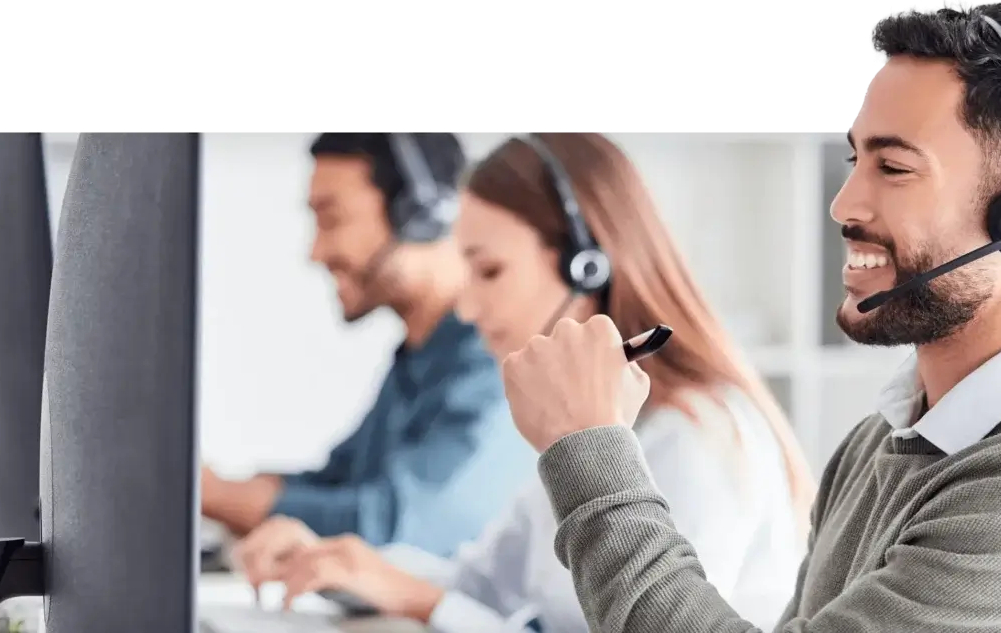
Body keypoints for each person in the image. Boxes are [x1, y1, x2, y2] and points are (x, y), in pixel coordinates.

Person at [498, 1, 1001, 633]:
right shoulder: (886, 440)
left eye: (893, 168)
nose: (843, 205)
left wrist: (589, 448)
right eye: (854, 159)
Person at [234, 131, 816, 632]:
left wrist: (422, 599)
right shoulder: (581, 423)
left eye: (489, 271)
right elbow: (483, 585)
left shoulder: (695, 437)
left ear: (586, 265)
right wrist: (347, 565)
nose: (467, 309)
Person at [201, 128, 535, 559]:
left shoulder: (491, 359)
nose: (316, 252)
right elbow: (340, 480)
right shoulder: (422, 355)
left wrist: (215, 496)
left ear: (419, 213)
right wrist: (215, 486)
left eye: (332, 219)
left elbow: (392, 525)